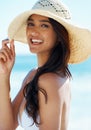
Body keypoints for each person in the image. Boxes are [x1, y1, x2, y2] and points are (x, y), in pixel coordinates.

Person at [0, 0, 91, 130]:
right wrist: (4, 75)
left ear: (59, 35)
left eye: (44, 26)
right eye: (31, 24)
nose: (33, 32)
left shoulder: (48, 81)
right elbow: (6, 127)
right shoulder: (34, 76)